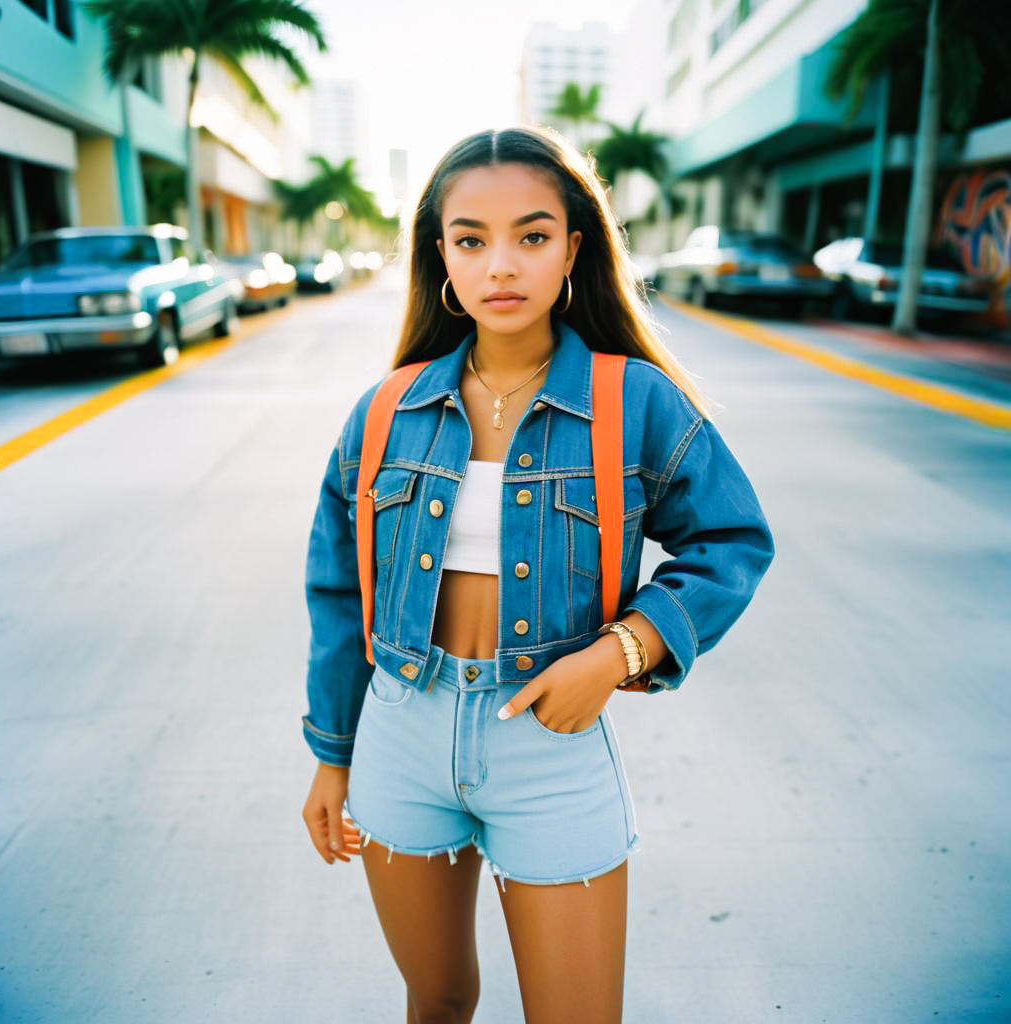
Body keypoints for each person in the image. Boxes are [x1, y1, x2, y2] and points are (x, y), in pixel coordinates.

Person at [301, 125, 775, 1024]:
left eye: (531, 234)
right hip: (402, 733)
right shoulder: (387, 409)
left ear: (572, 249)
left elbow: (732, 540)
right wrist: (332, 756)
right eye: (471, 240)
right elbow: (338, 594)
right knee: (436, 1000)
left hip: (548, 743)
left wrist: (619, 655)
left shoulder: (631, 400)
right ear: (440, 254)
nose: (501, 265)